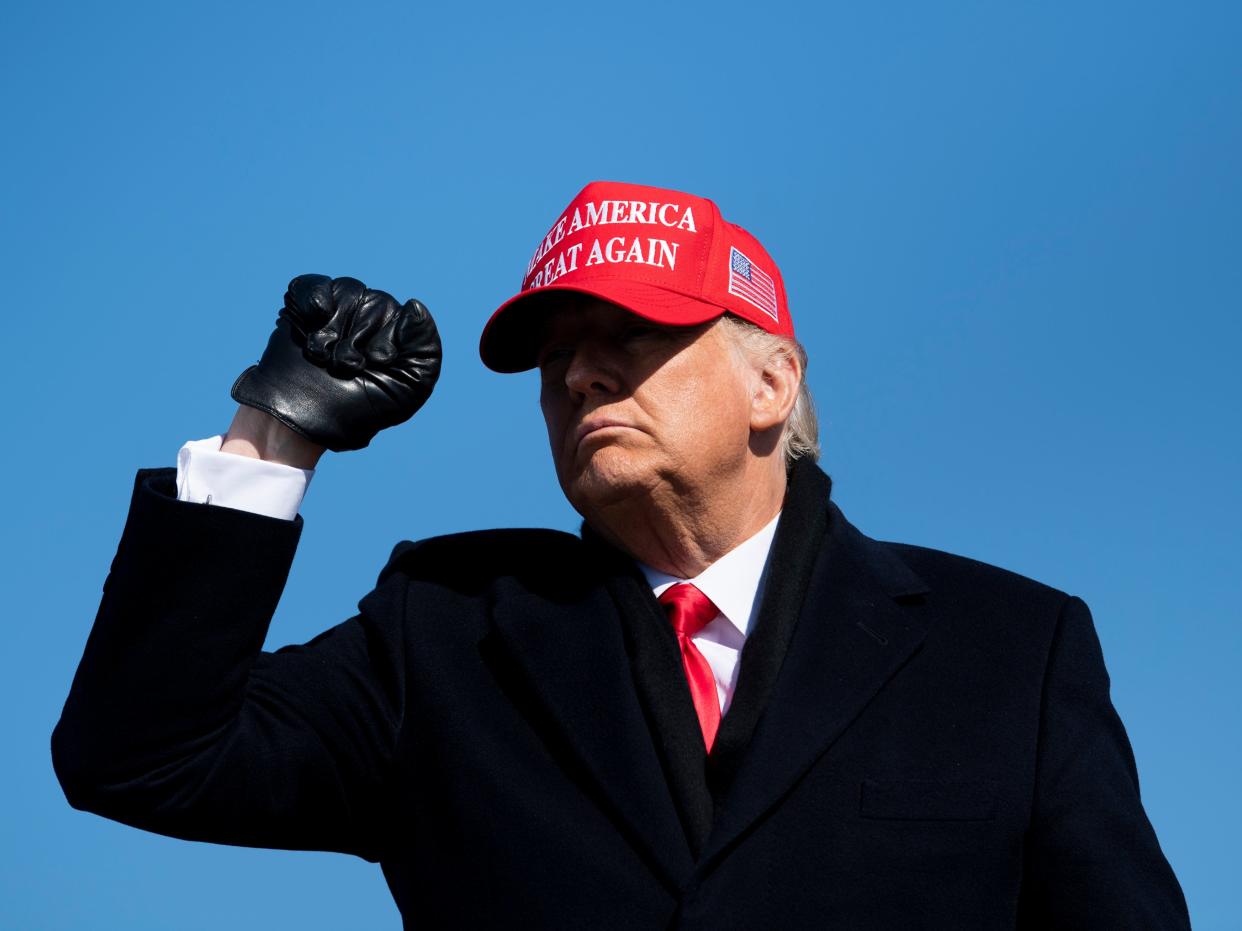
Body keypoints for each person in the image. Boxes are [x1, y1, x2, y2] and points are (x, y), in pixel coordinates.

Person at [52, 180, 1190, 928]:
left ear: (771, 380)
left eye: (630, 338)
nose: (580, 376)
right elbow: (138, 758)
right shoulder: (447, 631)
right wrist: (276, 431)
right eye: (555, 360)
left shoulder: (1007, 648)